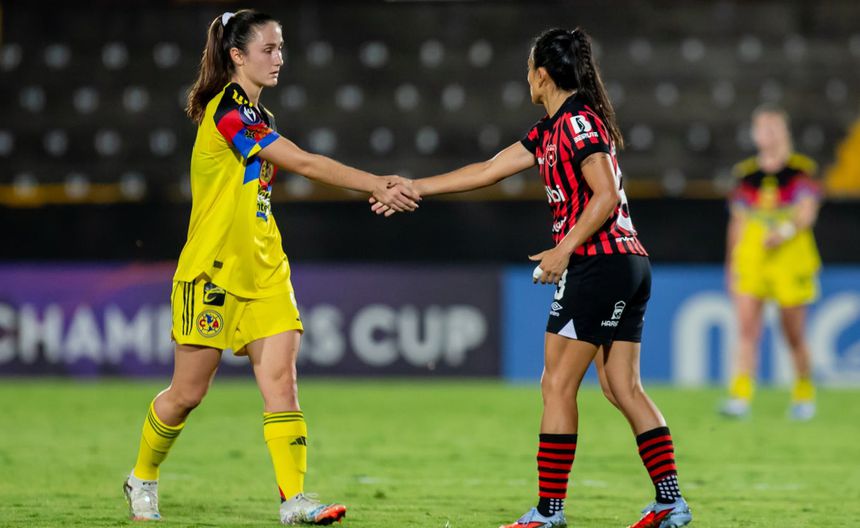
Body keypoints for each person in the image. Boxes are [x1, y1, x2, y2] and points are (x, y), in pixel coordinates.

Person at [373, 27, 691, 528]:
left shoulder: (577, 124)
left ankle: (549, 511)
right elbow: (488, 169)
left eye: (528, 70)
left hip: (599, 263)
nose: (527, 78)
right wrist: (416, 187)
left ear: (541, 75)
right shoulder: (552, 129)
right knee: (621, 387)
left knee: (556, 384)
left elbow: (606, 194)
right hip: (627, 263)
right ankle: (670, 502)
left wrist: (564, 250)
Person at [122, 9, 419, 525]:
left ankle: (294, 500)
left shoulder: (262, 117)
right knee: (188, 394)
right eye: (268, 49)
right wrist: (374, 182)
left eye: (281, 48)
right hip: (212, 273)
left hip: (266, 270)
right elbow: (302, 162)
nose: (279, 58)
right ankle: (142, 478)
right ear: (237, 55)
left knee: (282, 384)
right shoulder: (227, 111)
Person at [722, 103, 822, 420]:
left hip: (790, 259)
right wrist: (731, 263)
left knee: (793, 333)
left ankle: (803, 393)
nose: (767, 134)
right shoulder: (745, 174)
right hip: (752, 259)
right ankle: (740, 396)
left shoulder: (801, 170)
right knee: (746, 329)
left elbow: (808, 212)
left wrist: (784, 231)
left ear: (784, 132)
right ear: (754, 134)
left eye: (773, 128)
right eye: (762, 128)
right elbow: (737, 222)